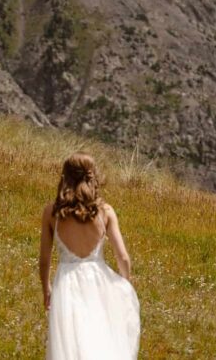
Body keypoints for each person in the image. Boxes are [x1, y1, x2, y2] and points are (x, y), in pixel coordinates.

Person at [39, 152, 140, 359]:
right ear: (92, 176)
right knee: (97, 333)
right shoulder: (105, 211)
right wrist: (126, 283)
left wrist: (46, 288)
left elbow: (44, 259)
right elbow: (123, 257)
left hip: (66, 281)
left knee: (70, 341)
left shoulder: (52, 212)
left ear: (64, 177)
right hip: (98, 279)